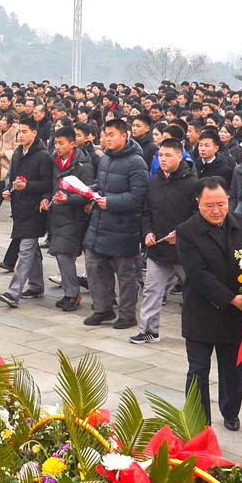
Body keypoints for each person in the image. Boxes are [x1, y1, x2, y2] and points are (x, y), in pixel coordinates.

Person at [178, 177, 242, 429]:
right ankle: (199, 420)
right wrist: (231, 298)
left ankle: (231, 412)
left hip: (236, 315)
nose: (216, 210)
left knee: (234, 367)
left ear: (228, 201)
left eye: (221, 204)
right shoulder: (187, 231)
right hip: (202, 311)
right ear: (198, 202)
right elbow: (198, 274)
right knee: (198, 368)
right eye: (209, 205)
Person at [83, 119, 150, 329]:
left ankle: (128, 314)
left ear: (124, 135)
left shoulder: (136, 162)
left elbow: (138, 197)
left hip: (123, 226)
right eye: (106, 134)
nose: (108, 138)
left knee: (126, 274)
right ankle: (102, 309)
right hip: (100, 224)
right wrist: (87, 191)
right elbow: (102, 185)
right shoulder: (106, 159)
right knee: (95, 267)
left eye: (112, 134)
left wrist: (110, 202)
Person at [135, 137, 198, 344]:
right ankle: (148, 330)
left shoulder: (192, 183)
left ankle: (198, 331)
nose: (163, 159)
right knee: (152, 290)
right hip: (158, 247)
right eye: (160, 155)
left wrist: (182, 234)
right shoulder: (154, 182)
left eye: (168, 155)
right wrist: (148, 232)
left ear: (180, 157)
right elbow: (146, 212)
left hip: (184, 249)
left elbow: (197, 216)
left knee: (195, 290)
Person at [0, 116, 54, 308]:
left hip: (35, 210)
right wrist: (9, 190)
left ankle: (13, 292)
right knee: (32, 250)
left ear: (34, 133)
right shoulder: (17, 154)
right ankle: (37, 285)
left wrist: (27, 186)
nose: (20, 135)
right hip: (19, 207)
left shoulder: (43, 156)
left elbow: (48, 183)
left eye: (24, 132)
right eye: (19, 132)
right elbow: (13, 178)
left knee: (25, 251)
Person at [47, 125, 94, 312]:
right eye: (55, 143)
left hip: (74, 217)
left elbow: (88, 193)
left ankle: (73, 294)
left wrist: (69, 198)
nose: (57, 147)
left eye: (61, 143)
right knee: (60, 255)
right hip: (56, 216)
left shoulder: (83, 166)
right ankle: (69, 293)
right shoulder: (54, 162)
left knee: (64, 254)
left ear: (72, 144)